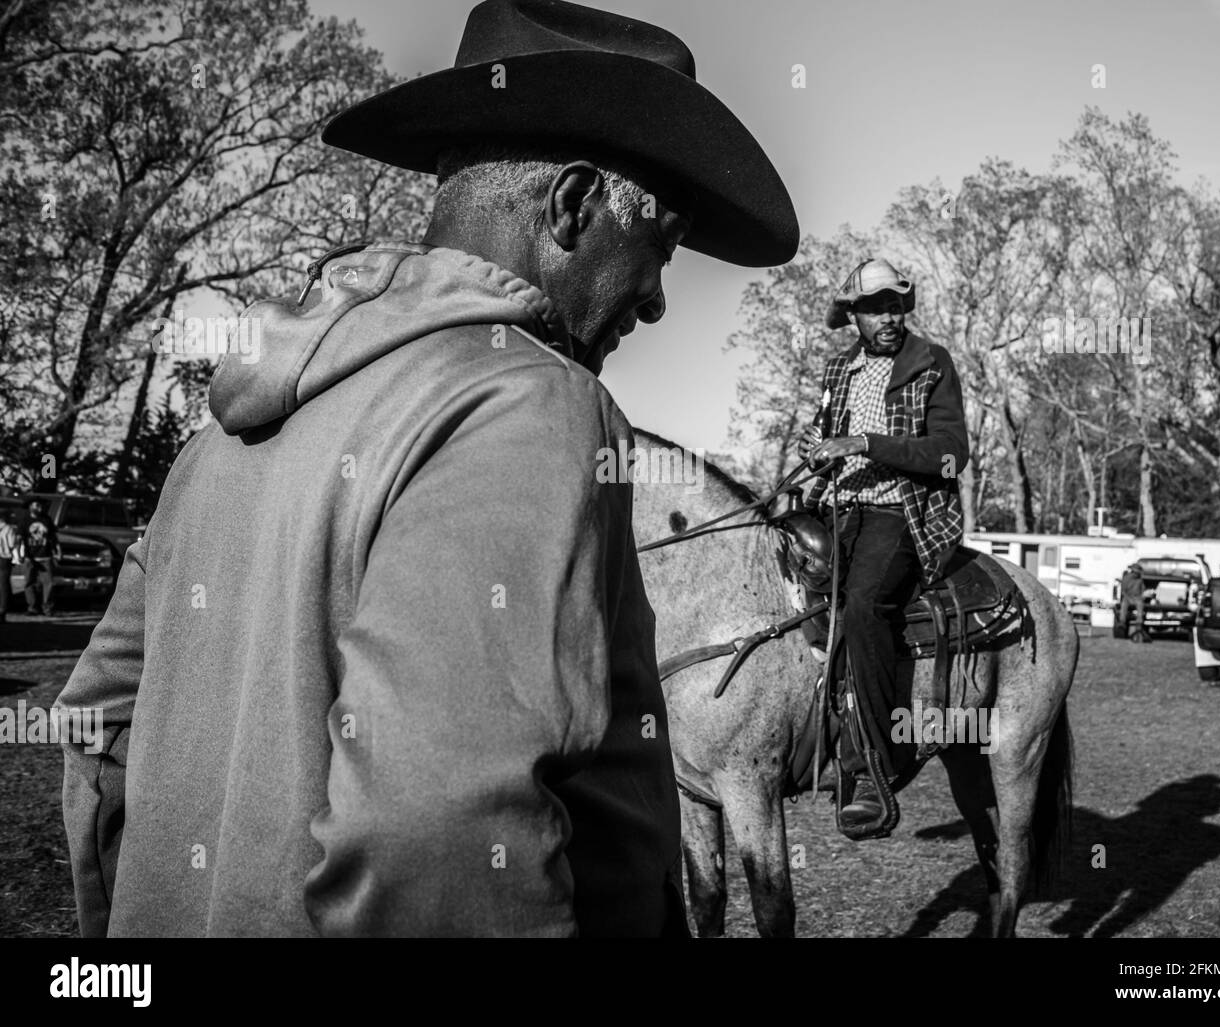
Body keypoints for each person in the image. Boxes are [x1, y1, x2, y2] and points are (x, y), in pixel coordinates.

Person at [55, 0, 797, 937]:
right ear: (572, 206)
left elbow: (96, 738)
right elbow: (444, 850)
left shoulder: (215, 441)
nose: (654, 300)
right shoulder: (531, 404)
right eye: (661, 246)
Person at [797, 258, 968, 838]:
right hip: (838, 509)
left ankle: (869, 769)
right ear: (855, 317)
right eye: (875, 308)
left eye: (895, 305)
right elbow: (829, 435)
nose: (888, 317)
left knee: (864, 607)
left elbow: (950, 454)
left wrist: (867, 442)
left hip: (904, 513)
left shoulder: (931, 363)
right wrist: (817, 450)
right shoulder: (838, 369)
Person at [21, 499, 57, 618]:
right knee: (29, 583)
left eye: (40, 505)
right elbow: (20, 538)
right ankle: (32, 608)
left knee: (49, 583)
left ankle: (47, 608)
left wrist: (56, 550)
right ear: (31, 507)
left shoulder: (47, 520)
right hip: (29, 557)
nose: (39, 507)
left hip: (45, 557)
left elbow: (53, 537)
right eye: (36, 505)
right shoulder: (25, 521)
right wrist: (22, 554)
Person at [1119, 562, 1149, 643]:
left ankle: (1139, 623)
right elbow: (1123, 591)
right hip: (1128, 597)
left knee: (1140, 605)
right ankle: (1122, 622)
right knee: (1124, 605)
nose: (1137, 574)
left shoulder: (1140, 580)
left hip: (1137, 597)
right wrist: (1128, 597)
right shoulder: (1126, 578)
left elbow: (1143, 590)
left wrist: (1143, 596)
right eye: (1136, 572)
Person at [0, 507, 20, 624]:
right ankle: (3, 610)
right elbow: (12, 544)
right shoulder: (8, 529)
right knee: (4, 585)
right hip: (4, 559)